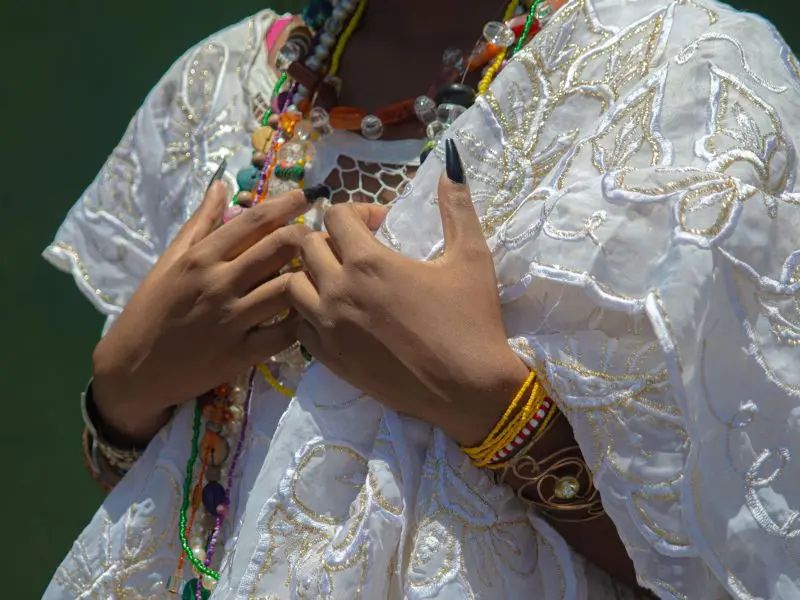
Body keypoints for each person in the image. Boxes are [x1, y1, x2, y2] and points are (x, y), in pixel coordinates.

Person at [42, 0, 800, 597]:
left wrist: (495, 410)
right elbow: (180, 490)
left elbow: (758, 556)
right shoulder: (220, 85)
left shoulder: (690, 78)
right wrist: (122, 395)